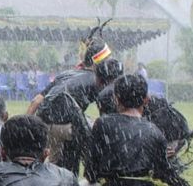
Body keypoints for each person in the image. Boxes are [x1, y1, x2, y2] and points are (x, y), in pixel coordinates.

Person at [27, 45, 122, 174]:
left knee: (54, 166)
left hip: (43, 122)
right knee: (68, 169)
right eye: (108, 60)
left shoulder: (66, 74)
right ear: (98, 64)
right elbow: (106, 110)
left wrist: (26, 125)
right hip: (66, 126)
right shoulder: (97, 80)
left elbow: (36, 100)